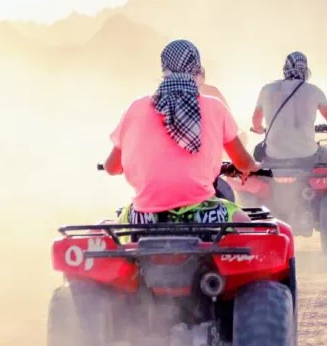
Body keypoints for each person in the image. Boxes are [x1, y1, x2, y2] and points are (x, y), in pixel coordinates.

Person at [102, 39, 260, 224]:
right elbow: (243, 163)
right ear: (197, 70)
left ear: (164, 70)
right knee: (246, 223)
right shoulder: (215, 107)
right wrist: (253, 166)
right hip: (204, 216)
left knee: (108, 227)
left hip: (145, 217)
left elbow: (111, 168)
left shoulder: (136, 108)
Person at [250, 51, 327, 166]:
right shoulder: (314, 91)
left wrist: (259, 129)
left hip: (273, 157)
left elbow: (256, 122)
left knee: (257, 152)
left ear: (285, 68)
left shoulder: (267, 90)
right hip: (307, 156)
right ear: (305, 70)